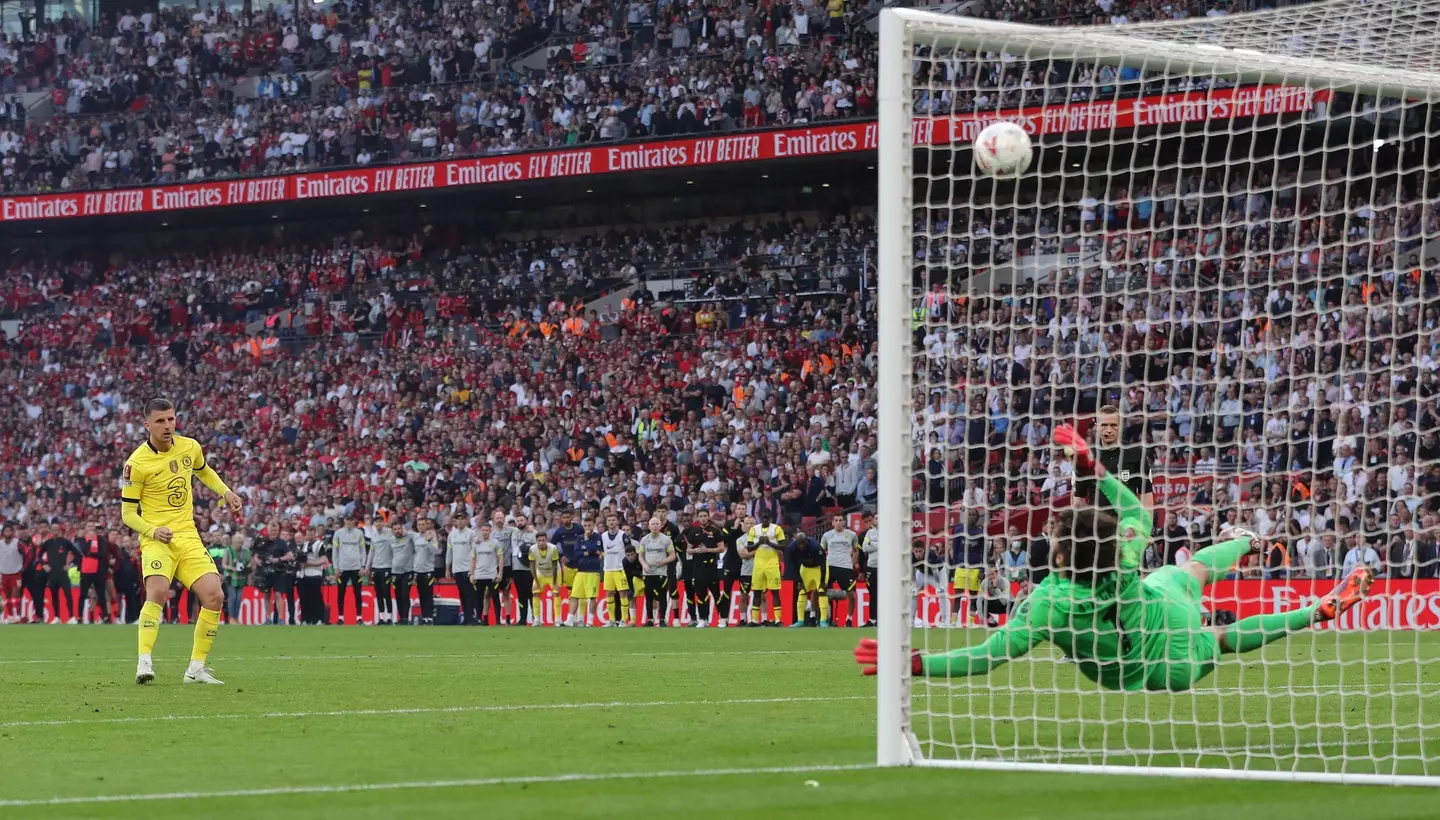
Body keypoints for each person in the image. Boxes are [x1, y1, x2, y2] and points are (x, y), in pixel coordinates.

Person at [855, 425, 1377, 691]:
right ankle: (1283, 578)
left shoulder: (1046, 605)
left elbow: (986, 657)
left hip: (1153, 673)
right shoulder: (1124, 556)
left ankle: (1271, 568)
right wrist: (1093, 465)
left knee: (1215, 633)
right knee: (1192, 572)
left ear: (1061, 557)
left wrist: (916, 662)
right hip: (1160, 617)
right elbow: (1135, 510)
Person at [120, 398, 242, 685]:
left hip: (187, 536)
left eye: (171, 419)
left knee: (215, 595)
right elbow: (127, 514)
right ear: (147, 424)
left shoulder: (190, 447)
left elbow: (203, 470)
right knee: (159, 591)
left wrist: (226, 492)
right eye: (160, 421)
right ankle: (144, 662)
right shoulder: (136, 464)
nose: (167, 426)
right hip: (156, 539)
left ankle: (196, 669)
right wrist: (152, 530)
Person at [682, 508, 724, 627]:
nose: (703, 518)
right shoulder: (693, 532)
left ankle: (722, 618)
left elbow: (721, 548)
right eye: (700, 516)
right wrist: (695, 550)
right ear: (697, 518)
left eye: (705, 516)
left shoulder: (715, 531)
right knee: (701, 594)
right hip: (698, 566)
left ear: (708, 517)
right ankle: (703, 619)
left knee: (716, 593)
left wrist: (708, 550)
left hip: (711, 566)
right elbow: (688, 550)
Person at [747, 511, 786, 626]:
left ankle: (778, 620)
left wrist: (769, 543)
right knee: (757, 592)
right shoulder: (754, 529)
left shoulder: (777, 529)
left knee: (775, 592)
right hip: (758, 564)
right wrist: (758, 543)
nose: (765, 520)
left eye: (767, 518)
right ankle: (754, 620)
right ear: (760, 517)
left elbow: (783, 546)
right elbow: (749, 548)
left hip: (772, 563)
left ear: (770, 518)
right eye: (763, 517)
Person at [821, 513, 860, 627]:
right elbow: (821, 551)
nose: (838, 523)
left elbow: (856, 550)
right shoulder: (827, 535)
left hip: (845, 568)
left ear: (844, 522)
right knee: (823, 592)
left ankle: (848, 619)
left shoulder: (852, 535)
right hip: (830, 566)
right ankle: (824, 619)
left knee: (851, 595)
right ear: (832, 522)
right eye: (836, 520)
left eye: (840, 520)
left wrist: (852, 564)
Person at [638, 516, 676, 626]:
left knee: (662, 596)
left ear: (660, 526)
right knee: (649, 596)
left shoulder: (666, 539)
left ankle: (663, 619)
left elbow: (673, 556)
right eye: (652, 524)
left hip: (661, 572)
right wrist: (644, 565)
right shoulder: (644, 540)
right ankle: (650, 619)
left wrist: (664, 561)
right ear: (649, 526)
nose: (654, 526)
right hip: (648, 572)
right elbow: (640, 556)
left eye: (656, 524)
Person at [332, 516, 369, 626]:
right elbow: (335, 551)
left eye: (351, 520)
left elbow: (363, 550)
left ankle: (359, 618)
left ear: (354, 521)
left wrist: (362, 565)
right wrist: (336, 567)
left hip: (356, 568)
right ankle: (340, 618)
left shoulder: (359, 533)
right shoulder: (338, 533)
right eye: (347, 520)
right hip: (342, 568)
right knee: (341, 593)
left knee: (357, 593)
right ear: (344, 521)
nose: (349, 522)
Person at [568, 518, 603, 627]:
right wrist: (589, 552)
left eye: (590, 525)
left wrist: (587, 545)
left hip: (593, 571)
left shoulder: (598, 537)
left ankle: (590, 621)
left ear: (594, 526)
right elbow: (576, 553)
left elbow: (598, 549)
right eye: (586, 526)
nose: (587, 528)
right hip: (580, 570)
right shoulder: (579, 538)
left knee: (592, 597)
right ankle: (570, 619)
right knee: (574, 596)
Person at [600, 513, 633, 627]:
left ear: (617, 522)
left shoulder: (622, 535)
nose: (611, 522)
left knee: (622, 594)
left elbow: (629, 551)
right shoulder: (603, 536)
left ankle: (624, 620)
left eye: (613, 520)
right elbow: (600, 551)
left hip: (620, 569)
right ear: (606, 522)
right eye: (609, 520)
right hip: (608, 569)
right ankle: (612, 620)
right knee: (609, 593)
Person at [788, 532, 828, 628]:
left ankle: (823, 620)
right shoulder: (792, 548)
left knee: (822, 591)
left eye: (803, 543)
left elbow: (823, 563)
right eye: (799, 544)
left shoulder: (815, 546)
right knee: (802, 592)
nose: (801, 546)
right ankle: (800, 621)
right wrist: (799, 581)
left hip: (818, 568)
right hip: (805, 569)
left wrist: (822, 581)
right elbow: (793, 566)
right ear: (795, 542)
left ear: (807, 541)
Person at [447, 516, 478, 625]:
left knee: (470, 594)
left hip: (468, 569)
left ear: (466, 520)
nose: (460, 521)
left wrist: (473, 569)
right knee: (462, 594)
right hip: (457, 569)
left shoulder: (471, 533)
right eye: (458, 519)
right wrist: (448, 568)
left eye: (462, 519)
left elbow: (475, 551)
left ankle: (471, 617)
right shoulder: (452, 535)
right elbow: (449, 552)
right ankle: (466, 617)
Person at [470, 523, 503, 625]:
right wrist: (471, 574)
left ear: (490, 531)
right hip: (479, 575)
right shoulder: (476, 543)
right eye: (483, 530)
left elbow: (500, 558)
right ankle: (479, 619)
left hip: (492, 575)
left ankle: (498, 620)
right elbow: (473, 558)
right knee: (479, 599)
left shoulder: (495, 543)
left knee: (495, 598)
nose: (485, 532)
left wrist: (500, 573)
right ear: (480, 531)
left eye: (487, 530)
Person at [509, 514, 537, 625]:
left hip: (529, 568)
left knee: (531, 594)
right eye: (518, 520)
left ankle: (536, 618)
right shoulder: (513, 532)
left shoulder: (533, 533)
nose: (520, 522)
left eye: (522, 520)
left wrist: (533, 529)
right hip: (517, 568)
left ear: (526, 521)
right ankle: (522, 618)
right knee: (521, 594)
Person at [529, 530, 562, 626]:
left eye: (543, 540)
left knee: (556, 593)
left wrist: (555, 583)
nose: (541, 543)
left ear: (546, 540)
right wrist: (536, 581)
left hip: (554, 573)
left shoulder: (553, 549)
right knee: (535, 593)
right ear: (536, 541)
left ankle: (557, 620)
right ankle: (537, 619)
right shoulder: (532, 549)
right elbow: (531, 565)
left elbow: (555, 566)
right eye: (539, 541)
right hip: (540, 573)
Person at [367, 518, 396, 625]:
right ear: (374, 523)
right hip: (375, 567)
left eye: (380, 521)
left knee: (386, 592)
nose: (378, 523)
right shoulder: (373, 535)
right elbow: (371, 551)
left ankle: (389, 617)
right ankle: (381, 618)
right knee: (378, 594)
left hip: (387, 566)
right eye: (376, 522)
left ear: (384, 523)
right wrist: (367, 566)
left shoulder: (389, 533)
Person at [297, 525, 328, 624]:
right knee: (304, 598)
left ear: (315, 533)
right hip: (304, 574)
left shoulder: (320, 544)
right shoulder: (304, 545)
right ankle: (306, 618)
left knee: (316, 598)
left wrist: (311, 564)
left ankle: (319, 618)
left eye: (311, 534)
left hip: (315, 573)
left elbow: (323, 560)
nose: (309, 536)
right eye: (308, 534)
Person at [390, 520, 415, 625]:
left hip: (407, 571)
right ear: (392, 530)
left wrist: (407, 532)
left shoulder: (409, 537)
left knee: (405, 594)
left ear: (402, 528)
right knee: (398, 595)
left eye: (399, 528)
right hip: (395, 572)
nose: (397, 531)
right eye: (395, 529)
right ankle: (401, 618)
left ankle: (405, 617)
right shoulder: (391, 540)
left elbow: (417, 535)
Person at [860, 512, 879, 628]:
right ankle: (872, 619)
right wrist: (877, 544)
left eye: (876, 518)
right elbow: (864, 548)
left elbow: (887, 546)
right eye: (875, 518)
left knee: (886, 595)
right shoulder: (870, 532)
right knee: (872, 594)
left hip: (885, 568)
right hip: (872, 566)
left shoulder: (889, 531)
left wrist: (871, 543)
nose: (875, 521)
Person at [0, 524, 21, 623]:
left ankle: (17, 615)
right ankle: (10, 616)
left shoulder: (18, 543)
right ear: (3, 533)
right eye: (6, 531)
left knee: (16, 593)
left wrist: (24, 566)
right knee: (7, 595)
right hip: (4, 573)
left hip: (16, 573)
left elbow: (27, 554)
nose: (8, 533)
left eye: (9, 531)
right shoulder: (0, 544)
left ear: (12, 532)